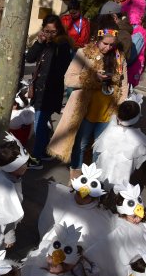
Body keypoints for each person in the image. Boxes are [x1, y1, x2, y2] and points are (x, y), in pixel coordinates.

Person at [47, 24, 128, 182]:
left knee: (100, 148)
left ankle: (95, 176)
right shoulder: (84, 53)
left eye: (112, 44)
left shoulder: (119, 57)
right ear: (97, 40)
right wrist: (93, 78)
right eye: (105, 43)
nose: (108, 48)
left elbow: (124, 85)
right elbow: (68, 79)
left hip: (108, 111)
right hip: (86, 108)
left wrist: (121, 108)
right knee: (82, 143)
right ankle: (76, 171)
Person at [24, 14, 73, 169]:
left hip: (50, 91)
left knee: (39, 122)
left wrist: (50, 45)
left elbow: (60, 70)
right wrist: (39, 42)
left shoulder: (62, 45)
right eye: (46, 31)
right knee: (42, 122)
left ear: (59, 31)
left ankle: (36, 157)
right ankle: (44, 152)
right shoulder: (44, 42)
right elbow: (30, 58)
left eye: (53, 32)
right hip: (39, 89)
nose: (50, 35)